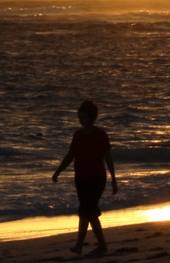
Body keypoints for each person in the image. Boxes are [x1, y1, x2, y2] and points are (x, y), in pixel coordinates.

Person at [52, 100, 117, 257]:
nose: (79, 119)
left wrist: (114, 179)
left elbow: (108, 158)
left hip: (97, 178)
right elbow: (70, 156)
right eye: (78, 116)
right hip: (80, 179)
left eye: (82, 116)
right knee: (89, 212)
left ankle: (81, 245)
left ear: (90, 117)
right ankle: (99, 246)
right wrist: (58, 172)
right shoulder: (77, 135)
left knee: (86, 211)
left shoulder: (101, 135)